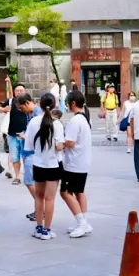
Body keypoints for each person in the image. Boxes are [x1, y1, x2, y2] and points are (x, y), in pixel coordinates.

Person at [24, 92, 64, 240]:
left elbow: (28, 145)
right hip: (53, 164)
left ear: (39, 104)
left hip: (38, 163)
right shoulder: (57, 124)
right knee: (50, 198)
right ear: (54, 105)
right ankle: (47, 230)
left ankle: (39, 228)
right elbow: (59, 147)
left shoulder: (33, 122)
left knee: (39, 197)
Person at [61, 90, 93, 238]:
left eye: (67, 102)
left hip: (74, 163)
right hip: (83, 161)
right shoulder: (85, 118)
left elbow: (71, 142)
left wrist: (59, 144)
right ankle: (83, 220)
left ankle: (82, 223)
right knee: (79, 192)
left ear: (73, 103)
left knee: (65, 192)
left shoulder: (75, 120)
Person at [0, 80, 29, 186]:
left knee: (26, 156)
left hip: (25, 135)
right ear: (15, 92)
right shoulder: (11, 101)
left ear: (25, 92)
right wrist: (3, 109)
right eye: (17, 90)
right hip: (12, 134)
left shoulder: (29, 102)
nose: (19, 92)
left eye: (21, 90)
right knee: (15, 156)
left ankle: (28, 175)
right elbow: (0, 108)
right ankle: (17, 176)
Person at [15, 93, 39, 220]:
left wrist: (27, 137)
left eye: (20, 108)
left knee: (29, 182)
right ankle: (38, 209)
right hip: (27, 151)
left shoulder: (37, 115)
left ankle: (41, 208)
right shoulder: (30, 115)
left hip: (32, 153)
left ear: (27, 103)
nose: (20, 110)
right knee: (32, 183)